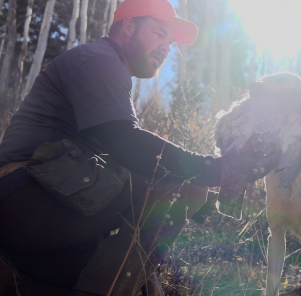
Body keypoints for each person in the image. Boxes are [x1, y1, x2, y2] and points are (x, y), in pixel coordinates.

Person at [0, 0, 276, 295]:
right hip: (22, 196)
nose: (166, 48)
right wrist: (217, 170)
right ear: (128, 26)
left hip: (41, 198)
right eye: (159, 34)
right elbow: (127, 143)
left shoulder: (106, 68)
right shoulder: (98, 59)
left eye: (170, 42)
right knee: (181, 185)